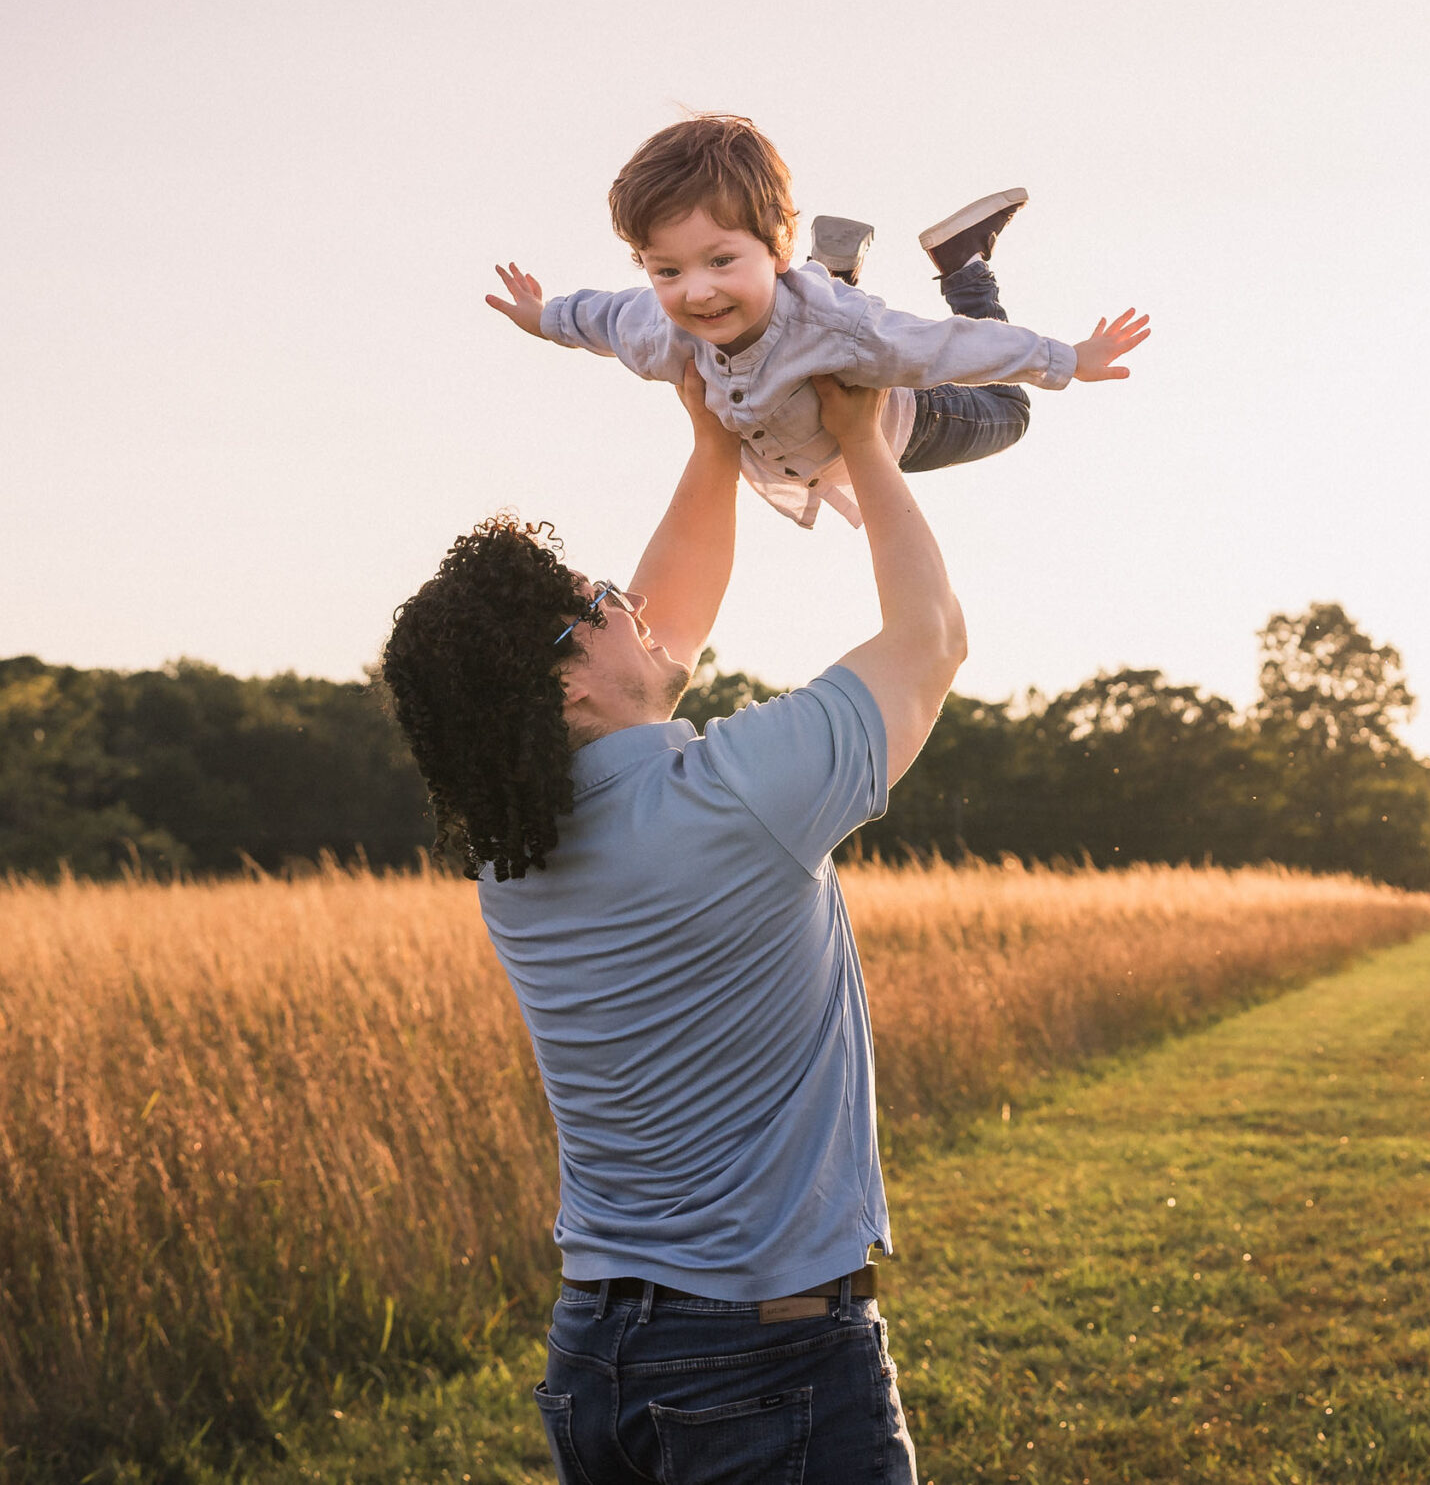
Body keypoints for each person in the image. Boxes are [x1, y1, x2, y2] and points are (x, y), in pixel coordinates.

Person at [379, 363, 960, 1483]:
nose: (622, 601)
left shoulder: (517, 856)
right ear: (562, 693)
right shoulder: (734, 799)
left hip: (601, 1356)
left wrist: (711, 450)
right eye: (589, 607)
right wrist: (863, 439)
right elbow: (930, 636)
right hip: (764, 1365)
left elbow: (662, 624)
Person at [486, 112, 1150, 529]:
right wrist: (543, 316)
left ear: (775, 247)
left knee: (1009, 412)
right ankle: (831, 274)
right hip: (824, 365)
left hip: (914, 420)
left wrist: (1068, 358)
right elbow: (602, 316)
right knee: (814, 310)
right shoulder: (661, 326)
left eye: (720, 260)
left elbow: (947, 345)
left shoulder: (853, 336)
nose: (696, 292)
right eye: (668, 270)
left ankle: (962, 263)